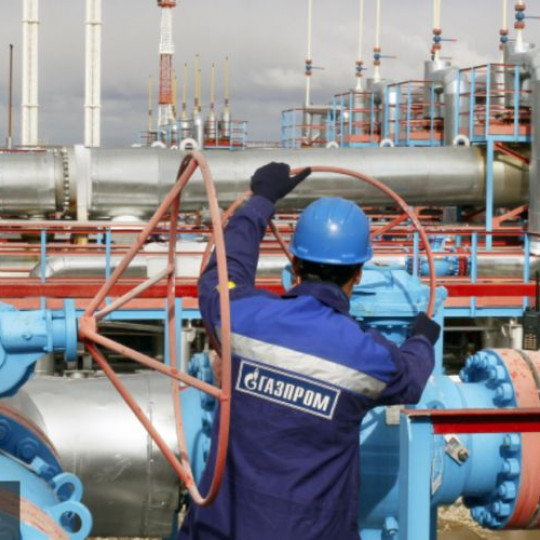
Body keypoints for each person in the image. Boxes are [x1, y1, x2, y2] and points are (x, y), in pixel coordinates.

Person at [179, 162, 440, 539]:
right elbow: (411, 378)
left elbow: (223, 274)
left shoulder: (243, 317)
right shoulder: (369, 357)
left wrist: (261, 200)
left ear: (295, 262)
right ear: (358, 273)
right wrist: (422, 338)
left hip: (220, 530)